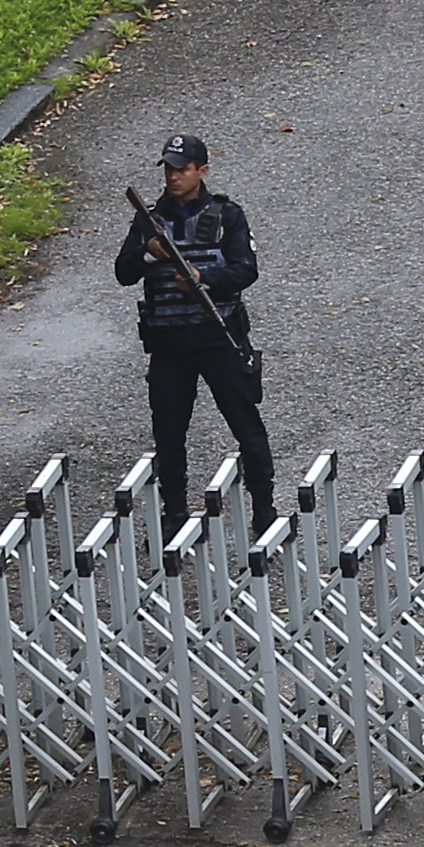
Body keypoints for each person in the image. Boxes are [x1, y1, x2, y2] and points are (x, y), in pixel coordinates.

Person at [115, 131, 278, 545]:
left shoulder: (227, 216)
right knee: (168, 434)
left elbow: (245, 270)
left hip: (218, 338)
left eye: (182, 169)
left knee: (246, 427)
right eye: (169, 169)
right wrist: (150, 252)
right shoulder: (150, 220)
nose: (173, 177)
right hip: (169, 345)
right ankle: (174, 512)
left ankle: (264, 509)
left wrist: (204, 278)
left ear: (202, 170)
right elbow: (124, 272)